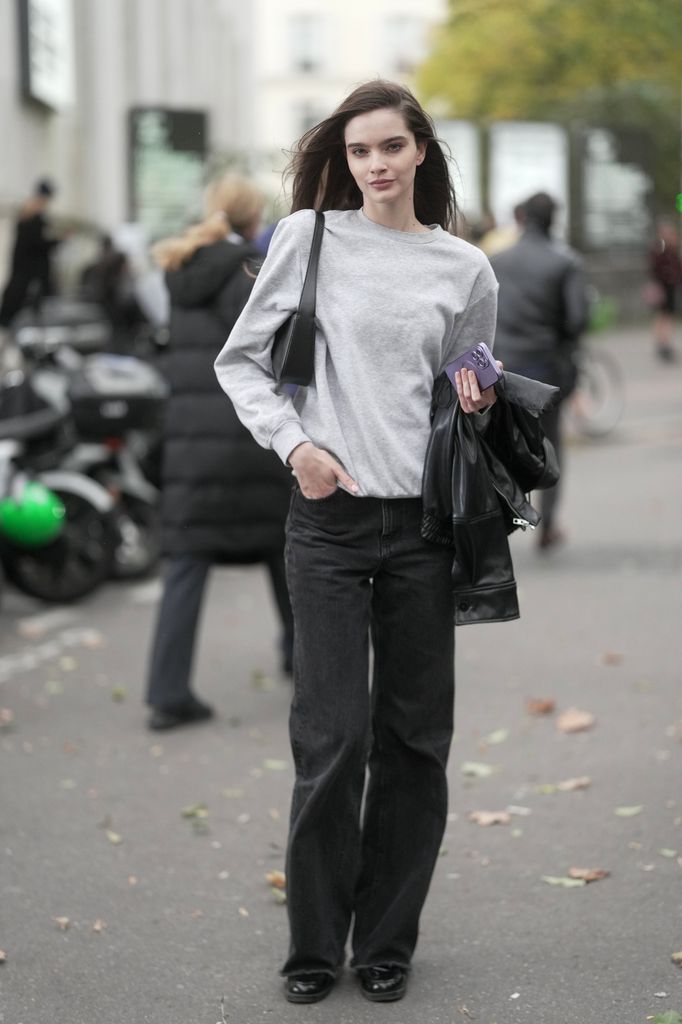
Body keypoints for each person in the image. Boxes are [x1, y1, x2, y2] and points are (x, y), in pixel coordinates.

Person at [215, 80, 499, 1004]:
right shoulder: (309, 238)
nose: (376, 165)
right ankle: (312, 946)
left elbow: (468, 383)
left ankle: (386, 940)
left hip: (423, 527)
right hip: (329, 525)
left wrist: (477, 391)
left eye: (391, 147)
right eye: (359, 152)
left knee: (414, 743)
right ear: (344, 161)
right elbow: (241, 364)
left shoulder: (465, 270)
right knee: (331, 739)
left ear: (421, 150)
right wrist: (297, 448)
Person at [145, 173, 294, 731]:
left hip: (190, 443)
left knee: (186, 565)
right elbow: (268, 350)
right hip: (246, 436)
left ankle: (167, 692)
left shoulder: (179, 269)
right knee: (284, 549)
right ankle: (300, 658)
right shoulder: (246, 272)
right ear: (254, 219)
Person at [489, 192, 588, 551]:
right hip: (546, 369)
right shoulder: (565, 262)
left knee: (498, 446)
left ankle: (496, 523)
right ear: (553, 219)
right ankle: (546, 528)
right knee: (549, 447)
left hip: (501, 368)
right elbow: (578, 320)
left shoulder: (496, 261)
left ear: (522, 218)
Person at [0, 179, 63, 328]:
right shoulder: (33, 217)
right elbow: (37, 245)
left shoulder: (31, 215)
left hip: (25, 278)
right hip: (28, 278)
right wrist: (58, 240)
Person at [647, 219, 681, 362]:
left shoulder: (672, 250)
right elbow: (657, 270)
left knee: (666, 316)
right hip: (663, 287)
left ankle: (664, 343)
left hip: (670, 287)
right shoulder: (660, 249)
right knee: (663, 316)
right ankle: (663, 343)